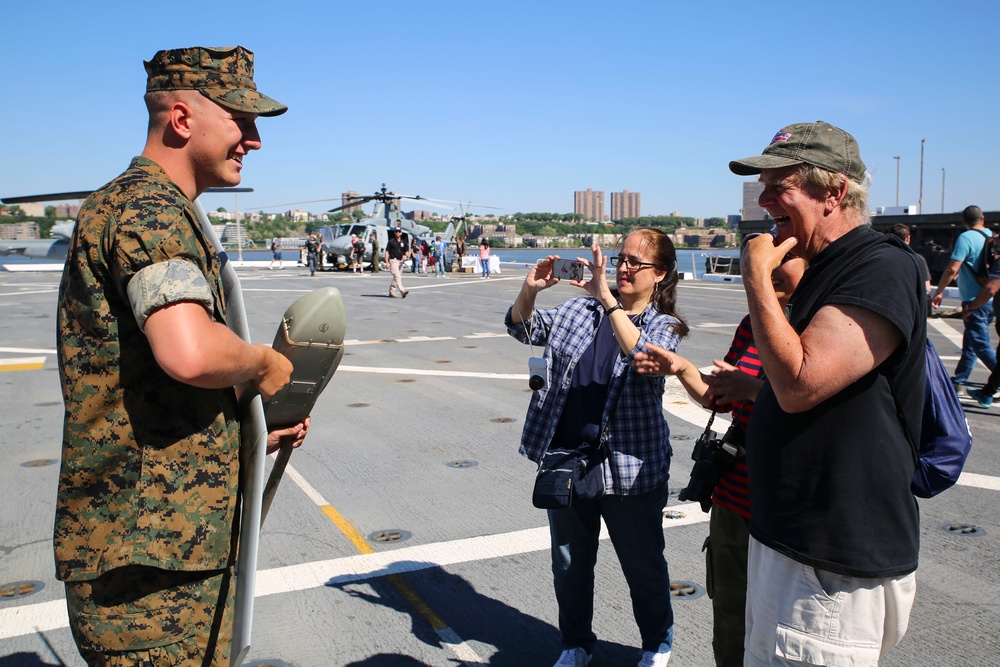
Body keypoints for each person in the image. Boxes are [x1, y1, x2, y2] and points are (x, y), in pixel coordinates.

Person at [55, 46, 311, 666]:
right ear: (182, 119)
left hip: (163, 545)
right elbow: (190, 352)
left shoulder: (154, 208)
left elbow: (144, 393)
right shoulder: (149, 210)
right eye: (240, 121)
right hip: (151, 569)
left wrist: (245, 437)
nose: (253, 141)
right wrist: (263, 365)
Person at [731, 121, 925, 665]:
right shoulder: (825, 270)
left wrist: (754, 279)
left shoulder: (879, 266)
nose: (764, 199)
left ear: (834, 192)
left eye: (779, 185)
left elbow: (798, 384)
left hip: (829, 561)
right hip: (794, 541)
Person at [506, 228, 688, 667]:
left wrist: (608, 300)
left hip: (630, 466)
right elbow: (524, 328)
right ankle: (575, 644)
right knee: (569, 564)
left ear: (659, 274)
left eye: (635, 263)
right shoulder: (576, 310)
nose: (623, 268)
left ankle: (657, 644)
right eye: (620, 258)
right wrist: (528, 291)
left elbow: (644, 358)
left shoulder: (664, 325)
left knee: (642, 565)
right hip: (569, 459)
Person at [633, 252, 806, 667]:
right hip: (735, 496)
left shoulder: (822, 325)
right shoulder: (753, 323)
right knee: (730, 616)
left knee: (793, 628)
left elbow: (820, 403)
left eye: (786, 257)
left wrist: (752, 390)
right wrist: (681, 368)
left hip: (791, 503)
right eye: (764, 261)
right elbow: (720, 396)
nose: (769, 267)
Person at [930, 205, 996, 390]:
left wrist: (939, 291)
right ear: (982, 217)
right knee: (971, 343)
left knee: (980, 345)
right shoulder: (992, 236)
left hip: (975, 301)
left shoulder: (966, 238)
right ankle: (959, 380)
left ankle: (997, 379)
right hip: (991, 298)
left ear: (964, 221)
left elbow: (952, 268)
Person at [385, 228, 410, 298]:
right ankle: (402, 291)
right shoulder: (391, 242)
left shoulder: (403, 242)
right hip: (393, 260)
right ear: (395, 233)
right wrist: (387, 262)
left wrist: (406, 256)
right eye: (396, 232)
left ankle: (392, 291)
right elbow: (387, 252)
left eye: (399, 232)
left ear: (401, 233)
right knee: (397, 276)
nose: (398, 233)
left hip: (400, 261)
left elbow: (406, 251)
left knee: (396, 278)